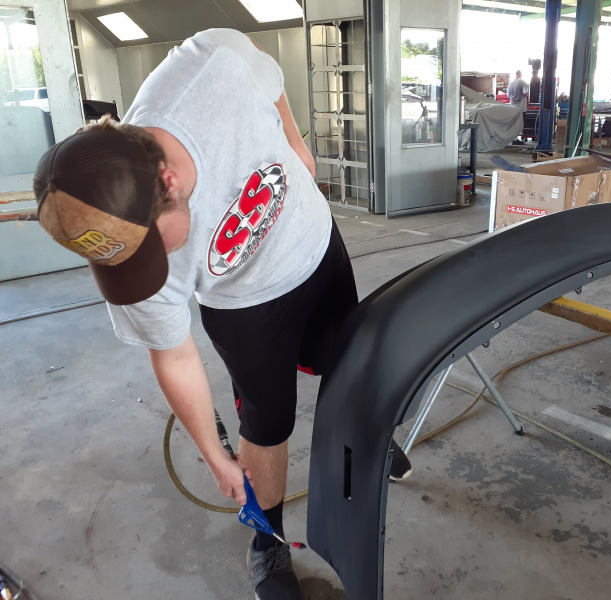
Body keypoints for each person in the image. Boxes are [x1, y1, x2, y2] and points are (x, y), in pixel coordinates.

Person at [33, 28, 410, 600]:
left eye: (153, 249)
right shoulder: (120, 244)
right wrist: (213, 454)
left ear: (169, 181)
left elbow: (265, 70)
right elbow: (174, 355)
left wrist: (295, 142)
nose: (152, 272)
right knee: (266, 425)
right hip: (242, 306)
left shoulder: (212, 73)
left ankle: (372, 438)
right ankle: (268, 542)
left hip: (312, 244)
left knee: (350, 363)